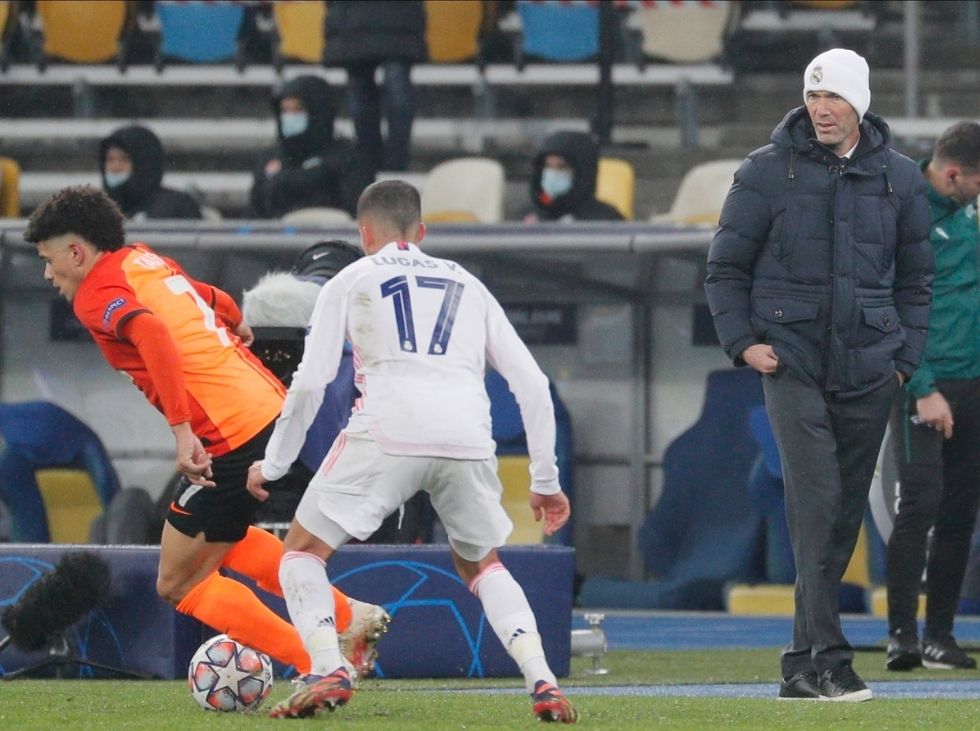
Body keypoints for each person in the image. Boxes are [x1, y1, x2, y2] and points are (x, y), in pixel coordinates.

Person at [24, 185, 390, 682]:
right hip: (265, 411)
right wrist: (236, 324)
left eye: (48, 260)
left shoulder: (95, 294)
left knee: (178, 580)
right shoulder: (142, 260)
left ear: (76, 251)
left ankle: (319, 662)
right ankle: (350, 618)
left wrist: (181, 430)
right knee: (223, 539)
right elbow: (210, 297)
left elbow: (150, 333)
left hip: (230, 433)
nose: (48, 274)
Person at [246, 180, 578, 722]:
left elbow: (310, 383)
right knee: (480, 564)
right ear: (422, 232)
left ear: (364, 233)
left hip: (387, 431)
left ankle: (327, 667)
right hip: (466, 436)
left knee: (301, 554)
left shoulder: (350, 279)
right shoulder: (470, 284)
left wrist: (275, 463)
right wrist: (544, 478)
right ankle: (541, 679)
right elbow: (533, 384)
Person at [704, 48, 933, 701]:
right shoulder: (765, 172)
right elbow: (725, 267)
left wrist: (903, 358)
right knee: (818, 501)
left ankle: (801, 663)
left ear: (858, 102)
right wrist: (742, 343)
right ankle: (830, 658)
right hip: (792, 360)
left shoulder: (902, 178)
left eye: (833, 97)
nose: (821, 108)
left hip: (870, 366)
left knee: (838, 519)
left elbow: (918, 281)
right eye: (813, 96)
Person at [884, 121, 980, 672]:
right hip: (926, 387)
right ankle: (902, 636)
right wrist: (923, 388)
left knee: (961, 513)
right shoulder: (905, 214)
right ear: (952, 174)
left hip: (973, 386)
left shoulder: (968, 215)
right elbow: (896, 308)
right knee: (918, 508)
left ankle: (940, 635)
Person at [250, 75, 375, 219]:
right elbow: (256, 212)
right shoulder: (268, 158)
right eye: (285, 111)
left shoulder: (350, 159)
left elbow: (358, 211)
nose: (289, 117)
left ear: (318, 112)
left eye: (298, 110)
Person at [323, 1, 427, 172]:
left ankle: (368, 164)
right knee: (396, 88)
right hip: (399, 19)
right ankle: (394, 165)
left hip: (352, 19)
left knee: (361, 89)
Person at [99, 125, 202, 220]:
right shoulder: (98, 210)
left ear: (143, 164)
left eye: (124, 159)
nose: (115, 167)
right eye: (110, 159)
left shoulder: (177, 206)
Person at [522, 130, 623, 223]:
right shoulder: (524, 218)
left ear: (582, 173)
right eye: (547, 166)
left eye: (562, 167)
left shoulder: (606, 221)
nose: (552, 173)